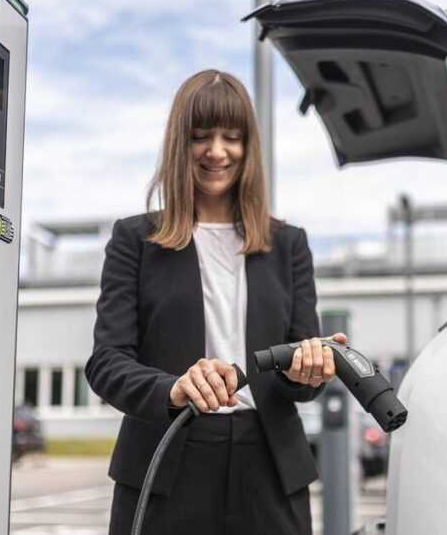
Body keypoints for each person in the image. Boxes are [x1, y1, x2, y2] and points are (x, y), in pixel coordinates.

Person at [86, 69, 345, 535]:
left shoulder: (288, 245)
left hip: (271, 467)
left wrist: (308, 370)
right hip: (164, 460)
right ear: (179, 143)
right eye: (201, 136)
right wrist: (172, 388)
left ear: (249, 146)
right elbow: (106, 363)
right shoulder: (134, 240)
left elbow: (301, 370)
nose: (217, 151)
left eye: (232, 137)